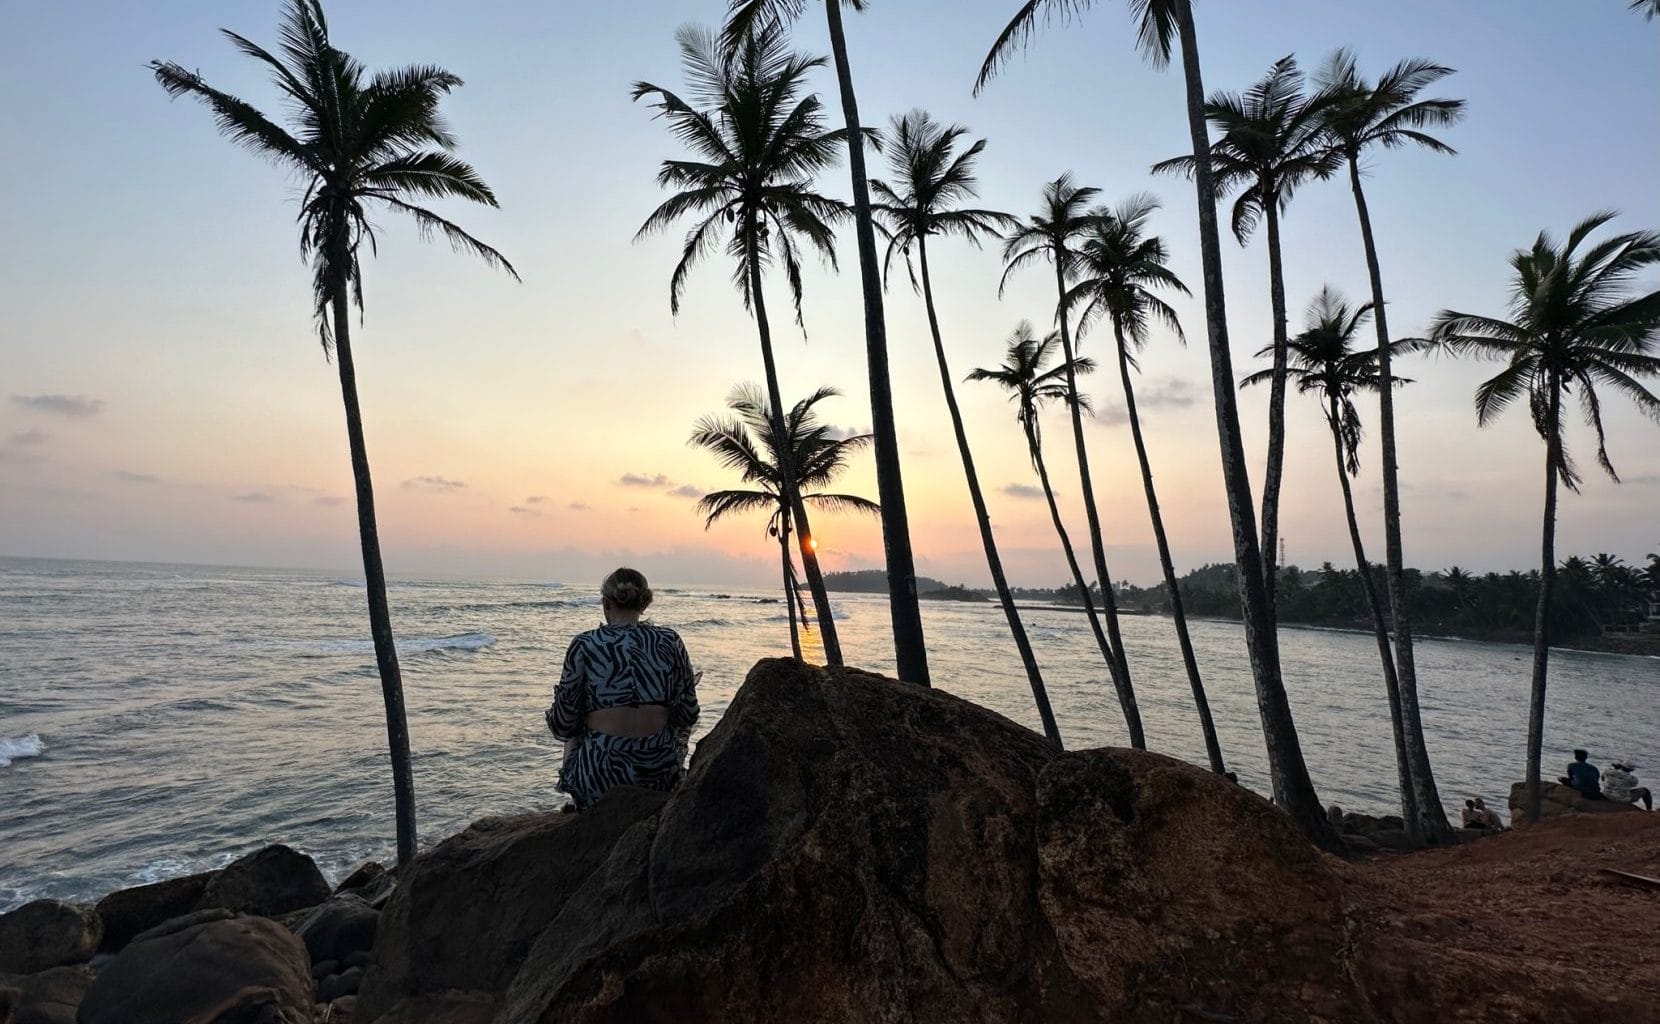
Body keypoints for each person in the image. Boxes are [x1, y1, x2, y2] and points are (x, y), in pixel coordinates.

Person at [545, 567, 699, 810]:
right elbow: (688, 712)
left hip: (601, 778)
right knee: (676, 717)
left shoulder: (584, 644)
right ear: (644, 604)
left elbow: (563, 722)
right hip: (657, 773)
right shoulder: (670, 640)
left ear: (606, 603)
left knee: (574, 725)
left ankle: (577, 801)